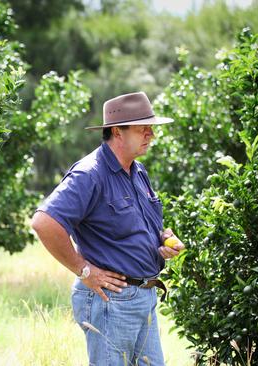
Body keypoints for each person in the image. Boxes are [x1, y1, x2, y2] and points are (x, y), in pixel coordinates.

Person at [31, 91, 186, 366]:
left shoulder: (138, 172)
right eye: (143, 129)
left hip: (144, 298)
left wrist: (165, 237)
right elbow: (44, 222)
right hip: (111, 301)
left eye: (151, 128)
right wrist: (84, 270)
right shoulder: (89, 174)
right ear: (117, 131)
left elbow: (145, 225)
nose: (151, 134)